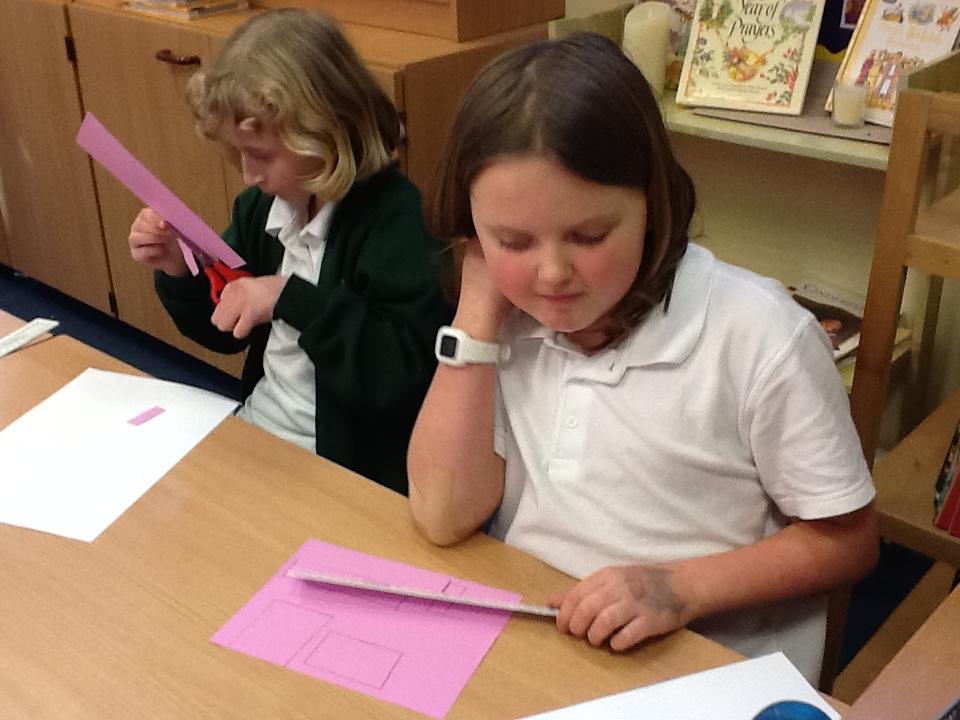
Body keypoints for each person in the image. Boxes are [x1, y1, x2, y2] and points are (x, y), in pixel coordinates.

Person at [407, 32, 877, 683]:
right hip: (540, 644)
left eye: (589, 235)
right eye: (511, 241)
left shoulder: (759, 336)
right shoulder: (507, 320)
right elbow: (441, 514)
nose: (551, 273)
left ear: (652, 204)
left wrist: (680, 588)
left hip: (703, 668)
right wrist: (475, 320)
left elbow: (850, 542)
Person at [128, 9, 450, 495]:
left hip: (347, 471)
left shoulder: (400, 221)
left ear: (327, 133)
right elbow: (225, 330)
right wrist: (180, 269)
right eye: (240, 153)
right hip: (262, 431)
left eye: (261, 155)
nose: (248, 174)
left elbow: (403, 379)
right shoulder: (263, 208)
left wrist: (289, 299)